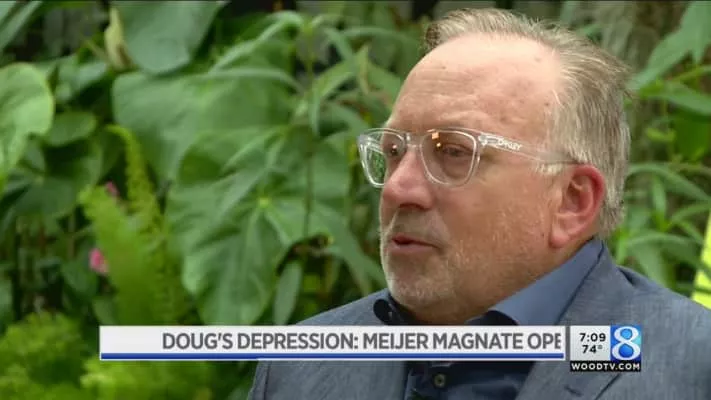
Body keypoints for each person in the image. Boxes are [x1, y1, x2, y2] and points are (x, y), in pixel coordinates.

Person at [248, 7, 711, 400]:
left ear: (571, 202)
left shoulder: (689, 368)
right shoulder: (301, 368)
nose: (397, 189)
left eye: (453, 152)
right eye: (393, 151)